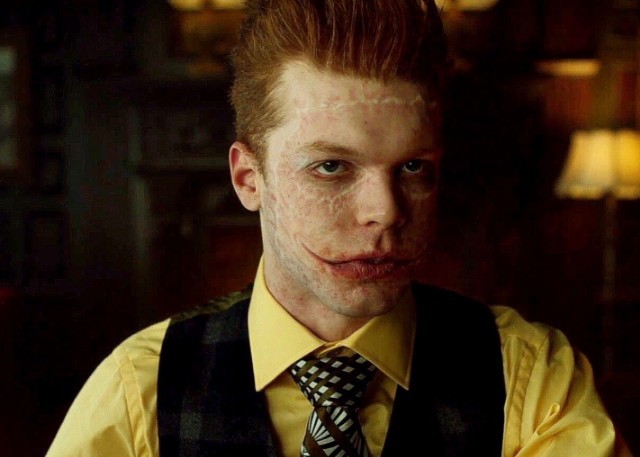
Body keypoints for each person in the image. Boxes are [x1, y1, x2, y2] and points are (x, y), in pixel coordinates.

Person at [47, 0, 632, 456]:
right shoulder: (141, 388)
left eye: (413, 168)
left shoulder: (529, 377)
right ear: (248, 179)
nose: (386, 212)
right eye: (331, 166)